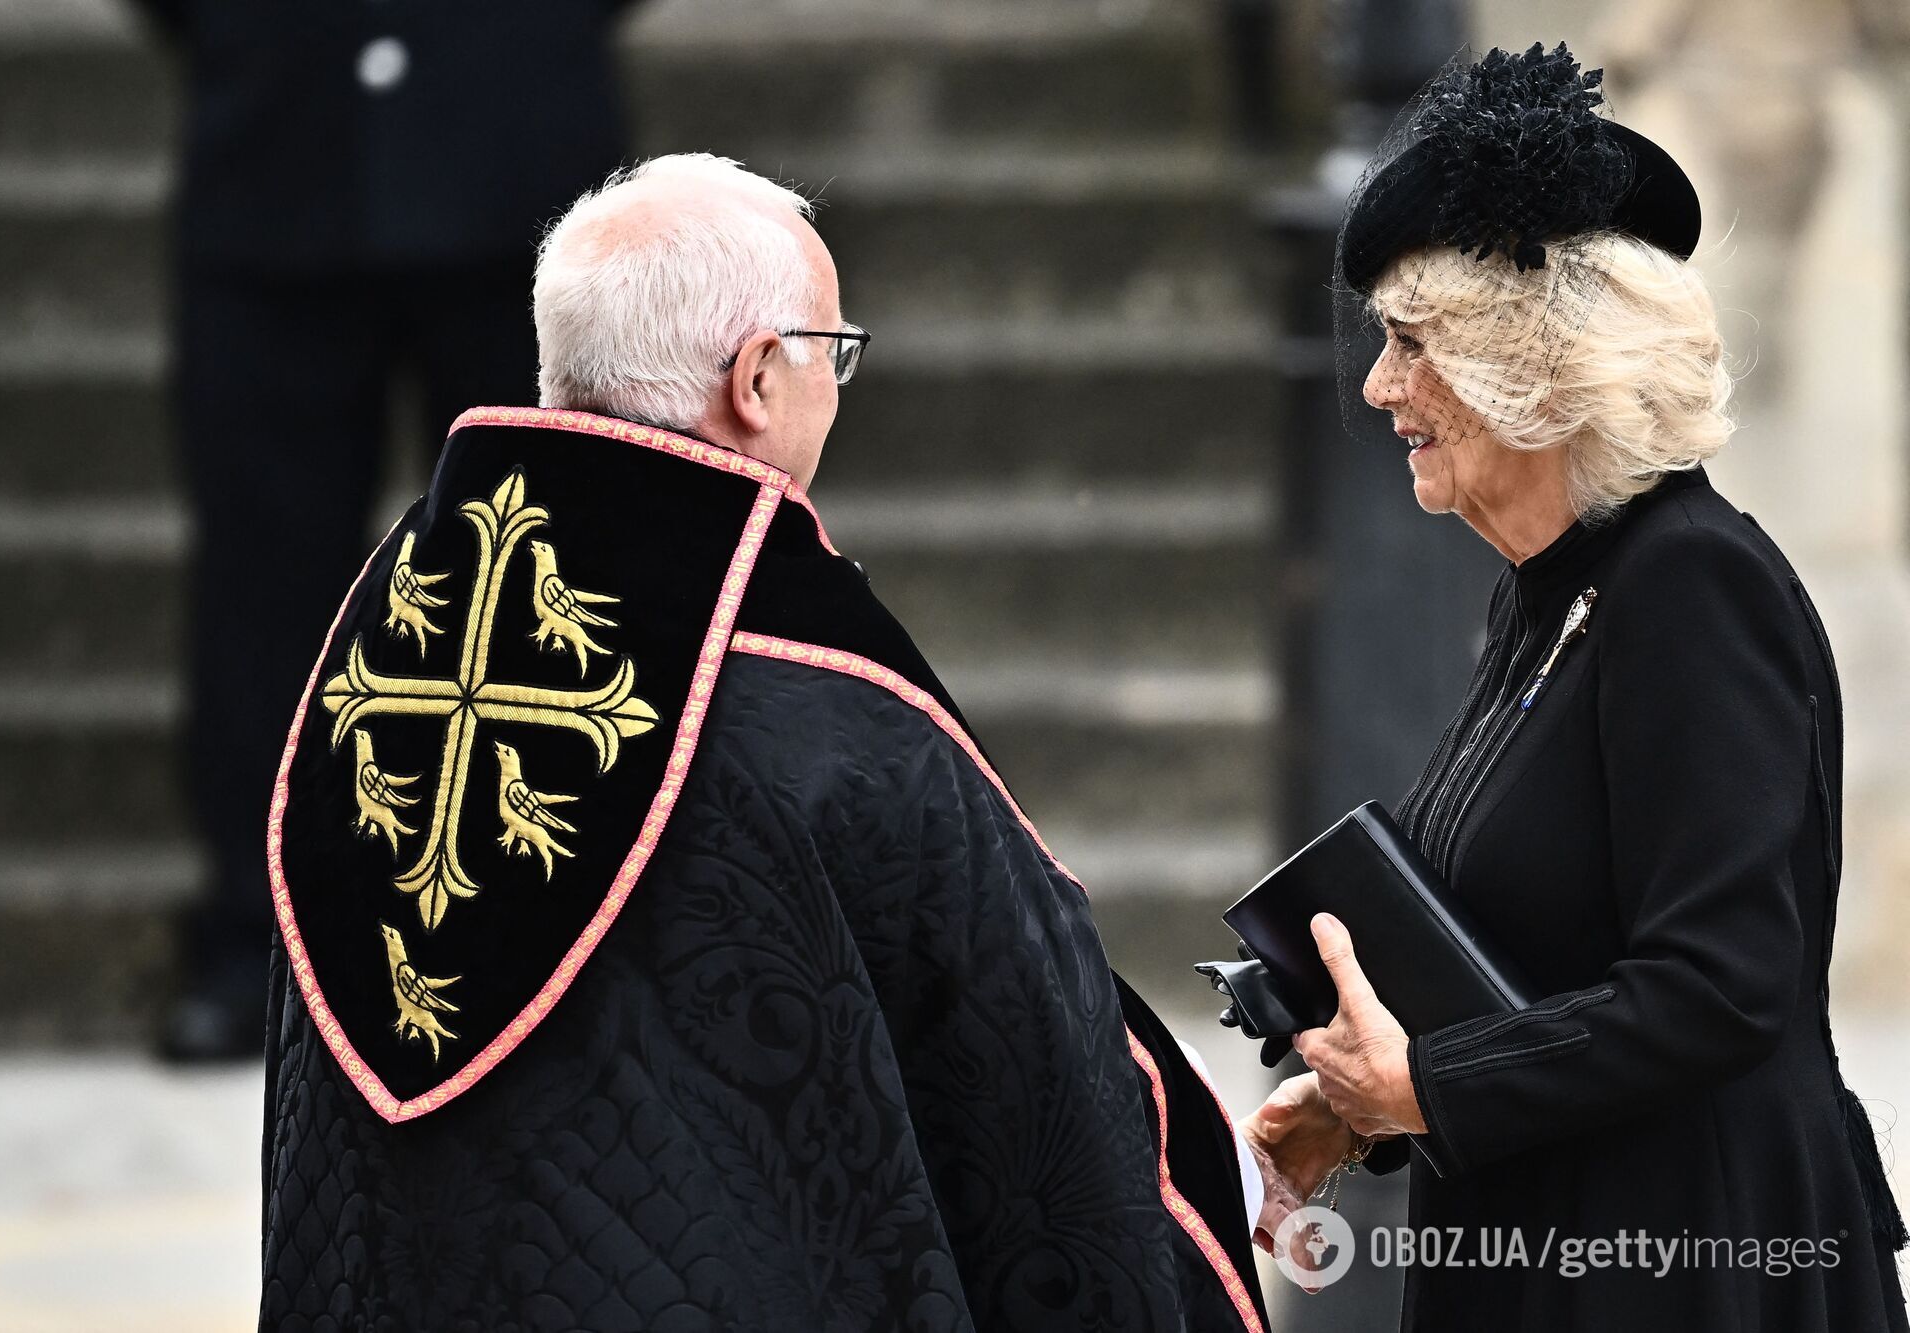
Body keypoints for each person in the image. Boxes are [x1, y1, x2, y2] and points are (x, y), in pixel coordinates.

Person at [258, 155, 1273, 1332]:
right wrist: (1224, 1166)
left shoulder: (377, 652)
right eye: (831, 353)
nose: (835, 387)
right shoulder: (830, 704)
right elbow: (1037, 1081)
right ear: (754, 377)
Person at [1244, 43, 1910, 1330]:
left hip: (1695, 1266)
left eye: (1409, 342)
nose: (1379, 388)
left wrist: (1428, 1086)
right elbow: (1536, 959)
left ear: (1530, 365)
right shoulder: (1548, 585)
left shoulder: (1690, 584)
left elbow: (1721, 984)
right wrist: (1357, 1095)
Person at [125, 0, 643, 1060]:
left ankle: (552, 943)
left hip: (516, 148)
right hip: (278, 145)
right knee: (263, 590)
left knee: (544, 580)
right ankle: (261, 943)